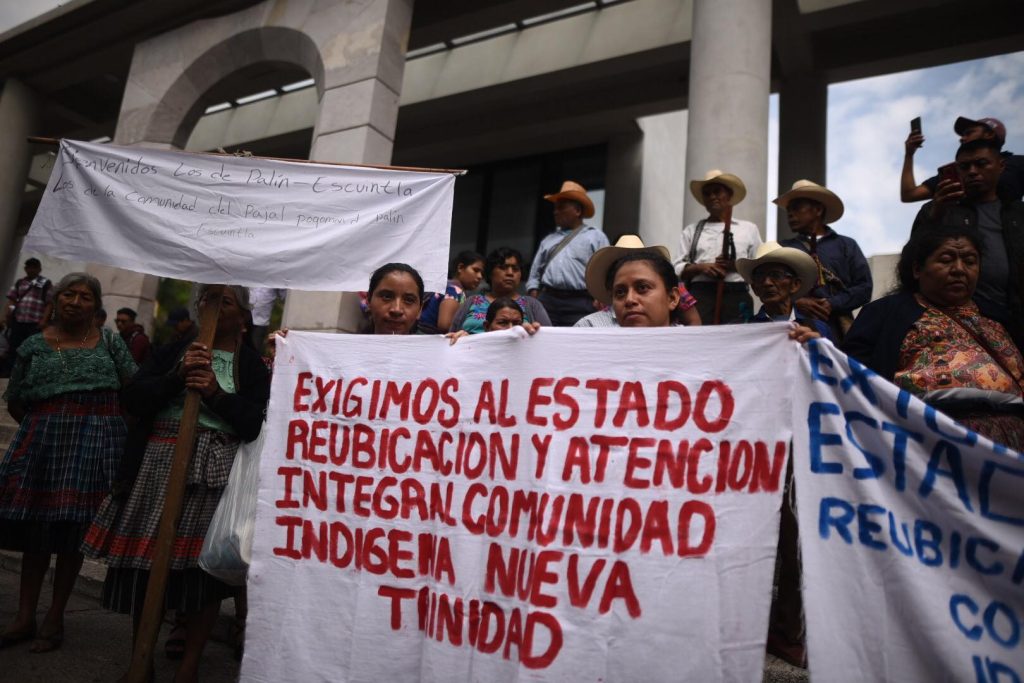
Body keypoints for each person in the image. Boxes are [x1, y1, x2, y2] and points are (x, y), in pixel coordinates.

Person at [82, 284, 269, 681]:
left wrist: (216, 394)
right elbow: (133, 399)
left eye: (226, 301)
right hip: (158, 464)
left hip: (215, 475)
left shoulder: (251, 366)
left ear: (244, 317)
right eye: (207, 299)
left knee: (202, 579)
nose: (213, 307)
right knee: (147, 567)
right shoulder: (171, 352)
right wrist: (177, 377)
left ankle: (188, 668)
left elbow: (254, 424)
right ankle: (141, 659)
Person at [0, 273, 136, 652]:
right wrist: (45, 423)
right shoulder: (32, 346)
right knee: (35, 531)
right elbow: (16, 398)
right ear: (56, 300)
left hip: (94, 444)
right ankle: (24, 617)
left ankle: (55, 617)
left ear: (96, 306)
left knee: (72, 534)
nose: (76, 302)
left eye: (85, 296)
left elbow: (134, 390)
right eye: (69, 294)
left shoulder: (110, 342)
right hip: (44, 442)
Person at [844, 225, 1024, 450]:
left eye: (969, 261)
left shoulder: (1001, 317)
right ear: (918, 269)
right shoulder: (884, 314)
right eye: (946, 259)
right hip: (923, 444)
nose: (959, 269)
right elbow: (848, 373)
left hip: (1013, 446)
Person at [911, 137, 1024, 349]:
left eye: (981, 164)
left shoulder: (1018, 212)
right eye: (964, 167)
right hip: (956, 323)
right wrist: (935, 215)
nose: (972, 171)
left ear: (1001, 166)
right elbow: (912, 261)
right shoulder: (936, 208)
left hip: (1015, 322)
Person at [776, 180, 872, 341]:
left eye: (797, 207)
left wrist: (832, 303)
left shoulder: (846, 245)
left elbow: (864, 287)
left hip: (838, 327)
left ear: (818, 210)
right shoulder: (782, 248)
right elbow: (773, 286)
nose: (790, 213)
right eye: (788, 210)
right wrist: (797, 301)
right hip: (794, 325)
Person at [674, 170, 762, 324]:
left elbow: (758, 266)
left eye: (717, 191)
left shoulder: (748, 229)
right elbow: (676, 267)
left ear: (729, 196)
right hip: (701, 295)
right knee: (702, 339)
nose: (712, 197)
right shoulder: (692, 230)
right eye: (707, 194)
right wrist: (701, 268)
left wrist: (735, 265)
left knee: (736, 340)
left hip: (737, 294)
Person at [526, 181, 609, 326]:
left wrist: (601, 294)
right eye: (555, 208)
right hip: (548, 300)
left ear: (577, 210)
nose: (555, 212)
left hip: (581, 302)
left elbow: (605, 269)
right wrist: (534, 294)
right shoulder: (548, 240)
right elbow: (535, 272)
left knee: (577, 343)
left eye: (561, 207)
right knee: (545, 340)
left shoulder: (595, 237)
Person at [577, 235, 701, 327]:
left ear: (673, 298)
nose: (630, 300)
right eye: (620, 292)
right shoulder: (589, 328)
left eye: (642, 288)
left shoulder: (689, 345)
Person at [902, 115, 1024, 203]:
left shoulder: (1018, 163)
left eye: (969, 133)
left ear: (989, 134)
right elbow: (909, 194)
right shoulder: (954, 172)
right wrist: (909, 154)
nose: (962, 138)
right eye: (965, 166)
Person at [735, 242, 832, 339]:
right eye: (760, 277)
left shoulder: (818, 329)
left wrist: (816, 347)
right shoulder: (743, 330)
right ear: (755, 288)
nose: (767, 283)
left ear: (795, 285)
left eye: (776, 275)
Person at [452, 247, 551, 333]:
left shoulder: (532, 305)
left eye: (515, 269)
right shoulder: (471, 301)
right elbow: (451, 335)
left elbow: (548, 339)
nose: (510, 273)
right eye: (503, 268)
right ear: (490, 273)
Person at [3, 258, 53, 375]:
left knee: (32, 349)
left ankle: (27, 375)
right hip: (18, 321)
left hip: (34, 323)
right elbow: (11, 300)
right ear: (25, 268)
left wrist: (44, 320)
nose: (31, 269)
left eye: (34, 267)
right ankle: (9, 374)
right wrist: (6, 316)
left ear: (39, 269)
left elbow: (50, 304)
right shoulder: (20, 282)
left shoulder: (45, 283)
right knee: (13, 348)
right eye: (29, 267)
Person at [418, 250, 484, 334]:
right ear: (460, 267)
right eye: (475, 270)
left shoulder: (444, 285)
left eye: (482, 273)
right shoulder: (455, 290)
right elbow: (444, 326)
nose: (480, 276)